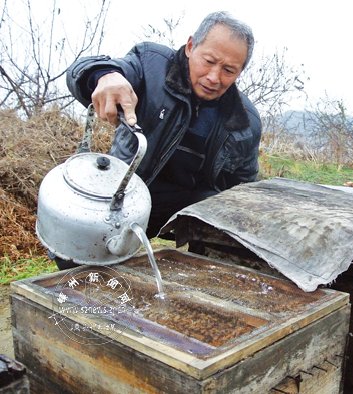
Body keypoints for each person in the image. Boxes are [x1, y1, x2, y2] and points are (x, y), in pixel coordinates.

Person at [57, 11, 261, 269]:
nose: (214, 77)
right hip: (126, 190)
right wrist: (104, 75)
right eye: (208, 61)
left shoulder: (245, 122)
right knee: (79, 258)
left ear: (240, 71)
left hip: (186, 207)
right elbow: (87, 71)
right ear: (190, 47)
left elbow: (244, 188)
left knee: (232, 225)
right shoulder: (151, 64)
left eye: (229, 70)